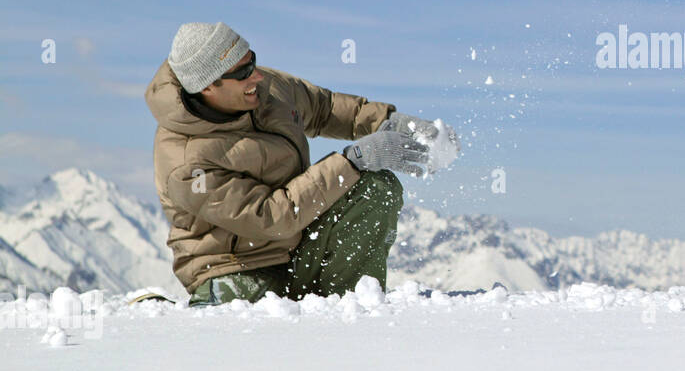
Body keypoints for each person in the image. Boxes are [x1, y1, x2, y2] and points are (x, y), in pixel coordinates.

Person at [144, 21, 459, 306]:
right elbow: (271, 216)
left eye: (250, 60)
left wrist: (394, 123)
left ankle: (353, 310)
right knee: (247, 328)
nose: (255, 75)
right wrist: (355, 160)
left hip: (299, 250)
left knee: (376, 188)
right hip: (236, 269)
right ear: (207, 86)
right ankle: (205, 308)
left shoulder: (265, 90)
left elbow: (325, 108)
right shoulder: (186, 162)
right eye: (240, 73)